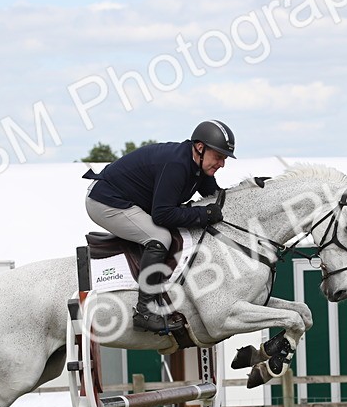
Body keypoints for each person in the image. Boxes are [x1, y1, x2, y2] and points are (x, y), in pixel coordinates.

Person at [84, 119, 236, 333]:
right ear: (200, 148)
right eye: (219, 157)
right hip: (105, 202)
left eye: (224, 158)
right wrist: (203, 214)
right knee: (160, 237)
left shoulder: (198, 166)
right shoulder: (177, 165)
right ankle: (144, 311)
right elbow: (163, 215)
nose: (222, 164)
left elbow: (215, 199)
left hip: (129, 200)